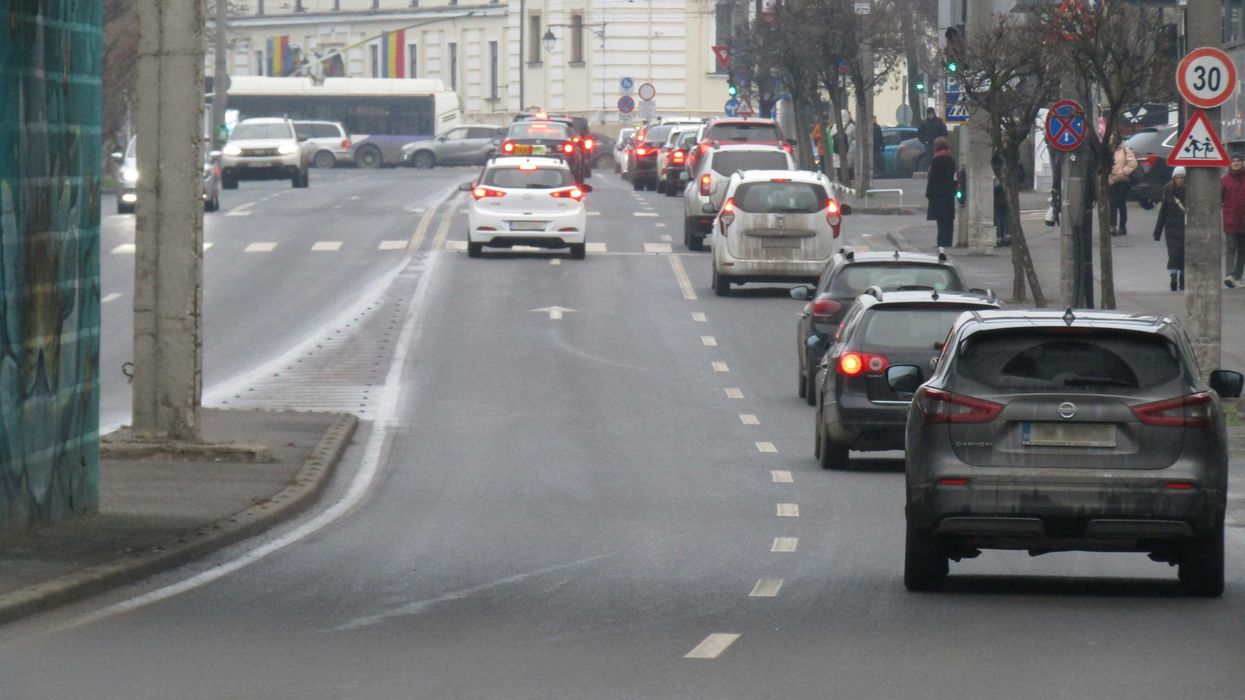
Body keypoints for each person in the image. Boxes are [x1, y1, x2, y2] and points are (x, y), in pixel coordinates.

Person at [1154, 166, 1188, 291]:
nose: (1179, 180)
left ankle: (1182, 280)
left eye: (1181, 178)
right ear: (1174, 178)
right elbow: (1163, 211)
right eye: (1177, 178)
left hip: (1185, 227)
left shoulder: (1190, 191)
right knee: (1173, 254)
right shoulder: (1168, 190)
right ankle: (1173, 279)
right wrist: (1157, 232)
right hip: (1171, 228)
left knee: (1184, 254)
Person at [926, 136, 957, 248]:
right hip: (949, 194)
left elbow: (932, 179)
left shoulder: (936, 160)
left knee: (941, 221)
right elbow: (954, 177)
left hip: (938, 195)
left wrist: (929, 194)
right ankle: (948, 241)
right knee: (949, 220)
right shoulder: (951, 160)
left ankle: (941, 243)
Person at [1223, 153, 1245, 287]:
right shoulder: (1224, 180)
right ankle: (1229, 275)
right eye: (1234, 161)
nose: (1236, 163)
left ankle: (1237, 276)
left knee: (1242, 250)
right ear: (1230, 164)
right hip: (1230, 220)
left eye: (1238, 161)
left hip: (1244, 221)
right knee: (1231, 248)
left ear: (1242, 163)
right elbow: (1220, 199)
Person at [1107, 141, 1138, 236]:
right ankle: (1112, 226)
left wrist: (1123, 172)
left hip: (1122, 180)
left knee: (1120, 203)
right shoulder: (1109, 149)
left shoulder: (1125, 149)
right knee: (1112, 203)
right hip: (1111, 180)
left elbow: (1133, 163)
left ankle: (1122, 227)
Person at [915, 107, 948, 171]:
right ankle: (928, 171)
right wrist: (925, 141)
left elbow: (944, 132)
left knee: (939, 158)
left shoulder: (939, 121)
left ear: (934, 113)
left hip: (939, 144)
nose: (931, 115)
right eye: (929, 114)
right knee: (928, 159)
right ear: (927, 114)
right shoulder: (923, 123)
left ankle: (939, 170)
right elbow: (919, 134)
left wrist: (941, 140)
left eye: (932, 113)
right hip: (928, 144)